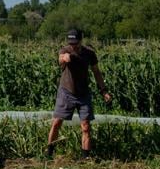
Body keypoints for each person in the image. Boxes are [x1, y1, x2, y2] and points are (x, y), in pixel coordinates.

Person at [46, 28, 111, 158]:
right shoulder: (65, 51)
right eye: (71, 43)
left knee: (86, 126)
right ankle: (49, 153)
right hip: (66, 92)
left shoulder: (89, 54)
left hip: (83, 94)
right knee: (57, 122)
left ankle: (85, 158)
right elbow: (61, 59)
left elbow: (96, 72)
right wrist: (64, 58)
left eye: (75, 43)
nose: (73, 46)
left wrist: (104, 90)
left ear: (81, 40)